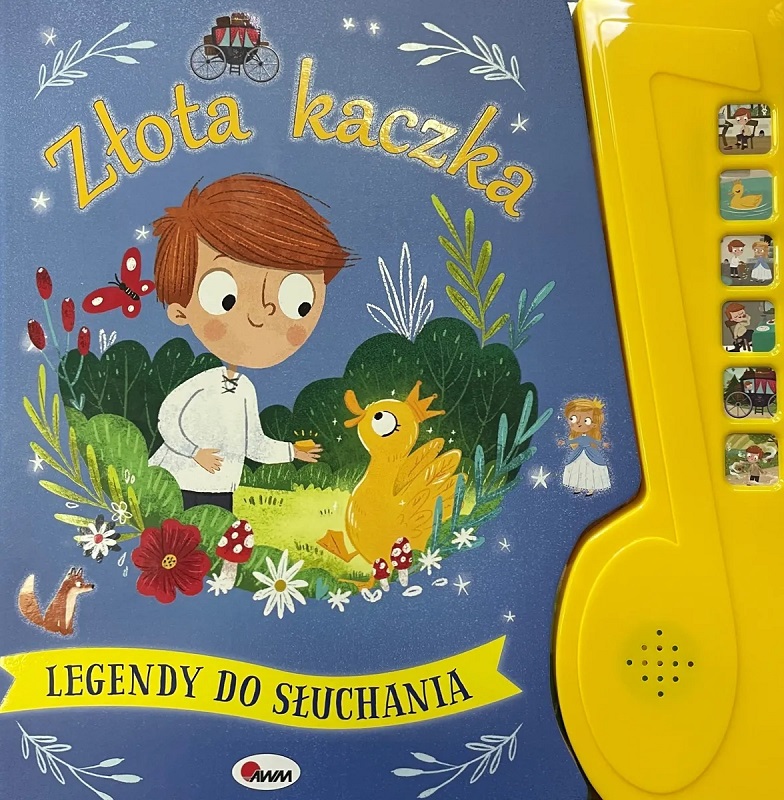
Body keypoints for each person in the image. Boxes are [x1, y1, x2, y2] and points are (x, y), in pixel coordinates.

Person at [149, 173, 351, 511]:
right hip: (176, 483)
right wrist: (195, 453)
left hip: (222, 489)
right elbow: (167, 421)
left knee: (217, 540)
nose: (260, 314)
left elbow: (254, 444)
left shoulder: (244, 389)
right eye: (225, 297)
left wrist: (292, 451)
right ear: (180, 311)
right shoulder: (200, 384)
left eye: (298, 300)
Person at [558, 397, 611, 496]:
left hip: (590, 454)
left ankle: (590, 488)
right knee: (577, 470)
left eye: (586, 420)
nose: (579, 424)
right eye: (573, 419)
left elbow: (596, 442)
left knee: (589, 471)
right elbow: (572, 441)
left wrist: (603, 444)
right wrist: (564, 442)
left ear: (593, 424)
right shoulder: (578, 437)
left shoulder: (589, 437)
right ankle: (578, 487)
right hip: (578, 454)